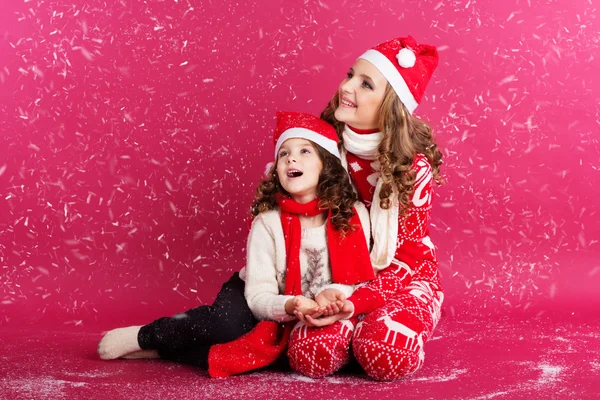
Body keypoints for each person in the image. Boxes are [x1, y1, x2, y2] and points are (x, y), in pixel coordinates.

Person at [98, 112, 375, 376]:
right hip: (256, 294)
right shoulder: (268, 222)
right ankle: (148, 335)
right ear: (277, 169)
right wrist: (291, 305)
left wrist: (331, 296)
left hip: (308, 306)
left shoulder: (351, 218)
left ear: (327, 164)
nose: (292, 160)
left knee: (263, 356)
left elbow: (355, 282)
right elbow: (257, 297)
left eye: (304, 151)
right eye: (284, 154)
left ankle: (165, 352)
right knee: (227, 327)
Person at [288, 35, 445, 382]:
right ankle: (351, 329)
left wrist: (355, 305)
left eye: (365, 83)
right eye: (350, 75)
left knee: (386, 353)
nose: (347, 87)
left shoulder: (411, 168)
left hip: (402, 276)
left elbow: (405, 258)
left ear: (390, 104)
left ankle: (395, 317)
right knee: (310, 355)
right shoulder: (322, 147)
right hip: (337, 274)